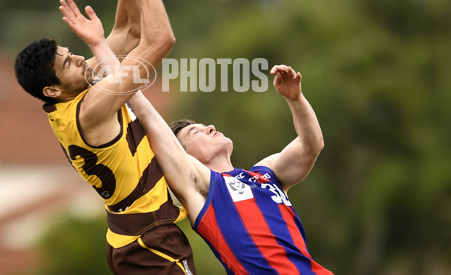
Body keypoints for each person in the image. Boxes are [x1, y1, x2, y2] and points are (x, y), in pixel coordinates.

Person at [14, 0, 196, 275]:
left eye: (70, 52)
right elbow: (160, 41)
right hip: (149, 244)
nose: (79, 59)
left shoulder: (74, 91)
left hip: (136, 238)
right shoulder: (91, 108)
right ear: (51, 89)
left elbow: (129, 31)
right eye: (68, 63)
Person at [129, 66, 335, 274]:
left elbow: (311, 145)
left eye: (204, 126)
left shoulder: (265, 173)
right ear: (184, 156)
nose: (210, 127)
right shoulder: (204, 190)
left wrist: (295, 98)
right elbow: (149, 117)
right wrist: (105, 53)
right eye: (195, 132)